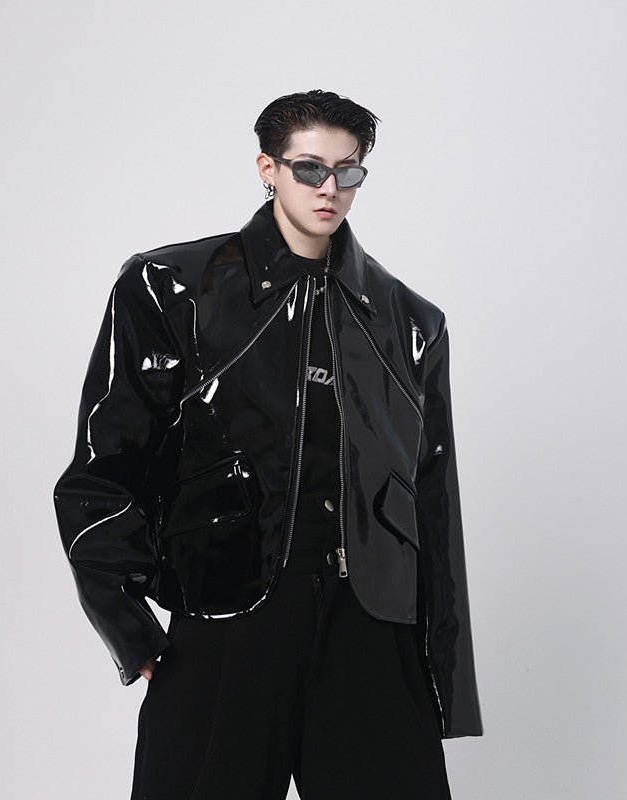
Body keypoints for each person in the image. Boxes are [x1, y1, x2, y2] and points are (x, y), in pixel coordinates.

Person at [53, 89, 482, 800]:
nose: (329, 188)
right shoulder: (171, 288)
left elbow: (433, 506)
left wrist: (445, 675)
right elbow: (105, 464)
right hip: (229, 617)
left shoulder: (410, 323)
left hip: (370, 628)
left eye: (348, 171)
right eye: (310, 168)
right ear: (268, 169)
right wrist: (125, 622)